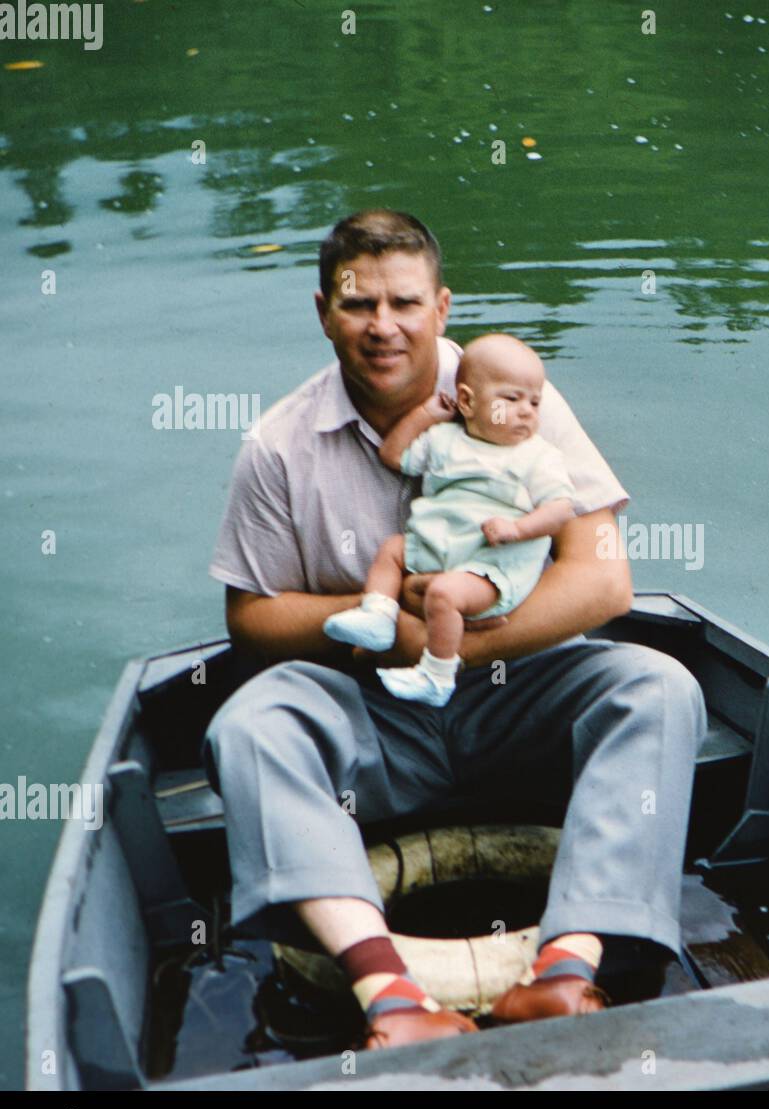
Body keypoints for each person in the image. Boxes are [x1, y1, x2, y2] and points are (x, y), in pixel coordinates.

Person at [203, 209, 707, 1050]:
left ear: (441, 307)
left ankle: (563, 973)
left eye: (404, 303)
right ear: (323, 311)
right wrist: (383, 636)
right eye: (358, 305)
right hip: (374, 713)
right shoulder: (277, 444)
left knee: (661, 687)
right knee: (250, 724)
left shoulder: (518, 395)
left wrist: (462, 647)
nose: (383, 326)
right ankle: (389, 997)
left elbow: (604, 576)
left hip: (518, 695)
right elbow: (251, 616)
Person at [323, 333, 576, 707]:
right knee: (392, 550)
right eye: (511, 399)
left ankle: (437, 675)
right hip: (438, 549)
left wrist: (518, 529)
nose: (527, 411)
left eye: (535, 402)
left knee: (444, 594)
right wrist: (426, 415)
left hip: (492, 567)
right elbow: (393, 455)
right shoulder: (444, 439)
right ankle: (378, 614)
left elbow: (560, 509)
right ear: (468, 402)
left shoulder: (536, 457)